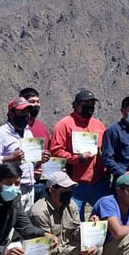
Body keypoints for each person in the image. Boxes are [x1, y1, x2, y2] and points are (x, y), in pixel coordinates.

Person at [30, 172, 103, 255]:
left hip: (62, 252)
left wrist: (90, 227)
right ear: (52, 189)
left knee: (95, 249)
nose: (69, 192)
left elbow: (75, 232)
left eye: (70, 189)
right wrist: (75, 252)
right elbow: (44, 248)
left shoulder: (71, 205)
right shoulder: (39, 211)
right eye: (65, 189)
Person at [0, 97, 50, 212]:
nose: (25, 115)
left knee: (24, 224)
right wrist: (9, 158)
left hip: (30, 186)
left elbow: (28, 160)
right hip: (11, 187)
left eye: (27, 112)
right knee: (10, 222)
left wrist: (39, 159)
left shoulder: (28, 132)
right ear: (11, 114)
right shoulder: (0, 134)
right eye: (21, 112)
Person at [50, 90, 108, 221]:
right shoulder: (64, 125)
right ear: (76, 105)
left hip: (98, 183)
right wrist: (77, 159)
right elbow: (55, 151)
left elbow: (105, 150)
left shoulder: (98, 125)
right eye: (86, 104)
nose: (89, 108)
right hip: (75, 184)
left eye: (92, 104)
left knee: (105, 219)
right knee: (74, 221)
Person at [19, 87, 51, 201]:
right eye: (32, 102)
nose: (36, 105)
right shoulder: (16, 127)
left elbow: (49, 154)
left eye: (38, 102)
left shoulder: (43, 128)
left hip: (42, 184)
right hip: (21, 183)